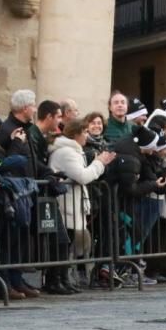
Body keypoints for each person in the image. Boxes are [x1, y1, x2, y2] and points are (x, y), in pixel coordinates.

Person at [48, 119, 115, 288]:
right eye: (85, 132)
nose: (87, 136)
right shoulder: (66, 152)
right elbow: (82, 176)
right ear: (76, 134)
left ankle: (64, 280)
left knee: (69, 246)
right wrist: (99, 162)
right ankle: (57, 280)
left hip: (73, 204)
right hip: (66, 205)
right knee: (63, 246)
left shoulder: (74, 151)